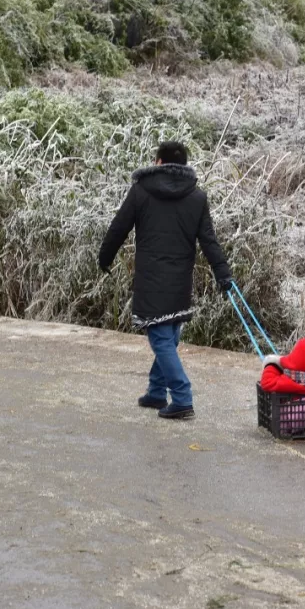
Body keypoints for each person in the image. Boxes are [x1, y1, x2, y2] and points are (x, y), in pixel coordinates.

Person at [98, 141, 233, 420]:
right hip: (180, 279)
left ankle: (182, 397)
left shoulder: (141, 191)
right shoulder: (197, 197)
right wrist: (223, 273)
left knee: (160, 338)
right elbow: (209, 240)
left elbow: (119, 227)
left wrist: (105, 257)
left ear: (158, 162)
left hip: (151, 278)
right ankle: (157, 391)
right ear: (184, 166)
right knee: (168, 333)